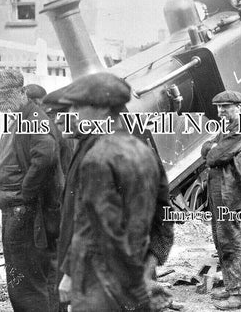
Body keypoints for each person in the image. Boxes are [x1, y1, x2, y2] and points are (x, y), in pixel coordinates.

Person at [55, 72, 173, 311]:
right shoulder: (142, 149)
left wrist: (69, 273)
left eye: (76, 108)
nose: (70, 116)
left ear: (100, 110)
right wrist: (149, 266)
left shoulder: (98, 156)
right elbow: (164, 216)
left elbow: (93, 224)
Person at [0, 69, 62, 311]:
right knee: (37, 278)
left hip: (25, 213)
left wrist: (25, 192)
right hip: (21, 210)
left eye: (4, 96)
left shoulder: (32, 120)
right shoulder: (20, 118)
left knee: (26, 283)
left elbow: (45, 157)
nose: (0, 102)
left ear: (21, 92)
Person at [201, 90, 241, 310]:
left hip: (230, 190)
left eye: (226, 107)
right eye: (219, 107)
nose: (221, 111)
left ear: (238, 107)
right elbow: (206, 149)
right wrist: (212, 149)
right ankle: (233, 287)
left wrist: (212, 150)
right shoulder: (227, 127)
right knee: (221, 240)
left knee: (230, 240)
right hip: (219, 188)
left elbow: (214, 156)